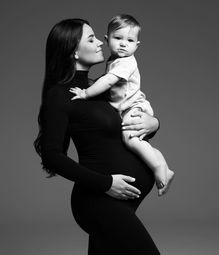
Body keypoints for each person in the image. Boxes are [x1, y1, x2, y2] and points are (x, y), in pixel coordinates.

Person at [34, 18, 161, 254]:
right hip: (99, 201)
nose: (100, 43)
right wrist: (106, 184)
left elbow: (127, 130)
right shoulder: (60, 95)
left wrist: (154, 123)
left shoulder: (100, 89)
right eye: (91, 39)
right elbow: (52, 155)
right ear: (73, 50)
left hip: (122, 201)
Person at [70, 14, 174, 196]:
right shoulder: (114, 61)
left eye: (130, 40)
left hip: (134, 106)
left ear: (137, 45)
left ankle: (158, 166)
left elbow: (109, 81)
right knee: (137, 140)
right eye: (118, 38)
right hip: (127, 107)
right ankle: (164, 166)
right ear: (107, 39)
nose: (124, 44)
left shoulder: (125, 63)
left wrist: (85, 93)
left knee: (130, 137)